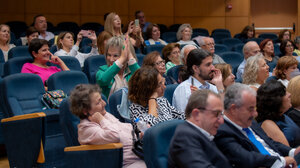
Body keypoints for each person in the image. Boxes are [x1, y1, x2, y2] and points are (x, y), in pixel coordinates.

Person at [215, 83, 300, 168]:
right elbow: (246, 157)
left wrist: (292, 151)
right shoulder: (222, 131)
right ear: (233, 109)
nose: (255, 114)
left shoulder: (250, 122)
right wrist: (282, 161)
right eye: (251, 109)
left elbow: (269, 142)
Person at [70, 84, 146, 168]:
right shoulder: (86, 129)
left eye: (102, 99)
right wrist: (101, 120)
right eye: (98, 102)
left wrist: (139, 135)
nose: (104, 103)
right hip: (129, 164)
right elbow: (114, 135)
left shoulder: (105, 115)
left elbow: (125, 129)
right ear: (85, 110)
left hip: (141, 154)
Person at [168, 90, 232, 168]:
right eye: (216, 114)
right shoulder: (184, 137)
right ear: (196, 114)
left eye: (221, 114)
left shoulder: (207, 133)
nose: (221, 121)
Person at [256, 80, 300, 148]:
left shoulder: (283, 115)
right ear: (276, 100)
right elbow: (287, 152)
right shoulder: (267, 124)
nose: (289, 94)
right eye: (284, 93)